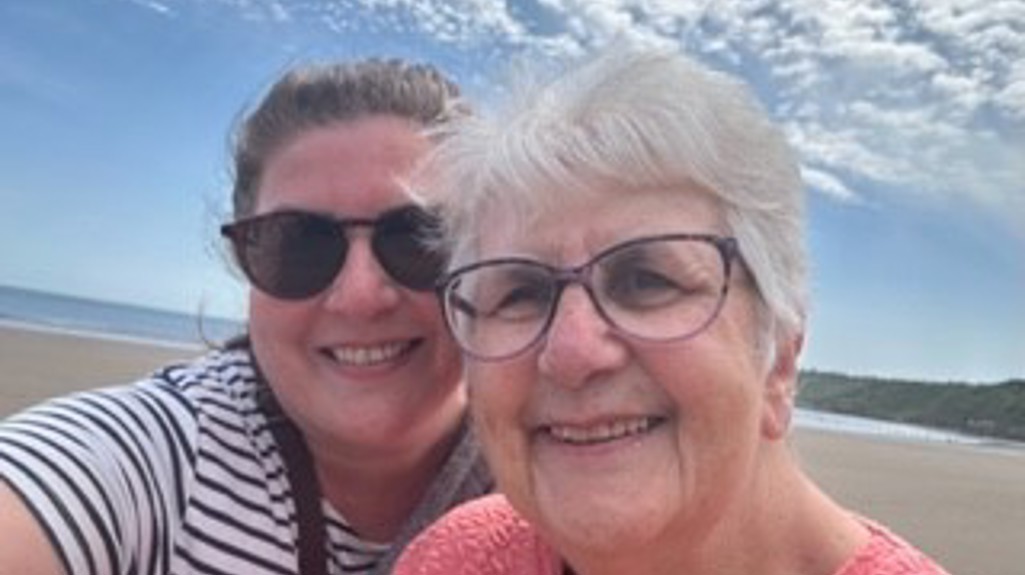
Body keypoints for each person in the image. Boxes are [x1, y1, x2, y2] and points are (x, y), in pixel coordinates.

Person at [393, 48, 950, 575]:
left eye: (646, 281)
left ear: (779, 356)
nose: (572, 351)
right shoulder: (460, 557)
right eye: (520, 293)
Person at [0, 58, 491, 575]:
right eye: (297, 243)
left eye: (418, 239)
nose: (359, 296)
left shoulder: (560, 450)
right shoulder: (153, 462)